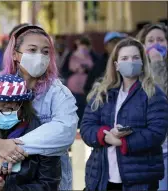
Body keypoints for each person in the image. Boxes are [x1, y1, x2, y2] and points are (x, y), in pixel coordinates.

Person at [0, 25, 78, 190]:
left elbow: (65, 130)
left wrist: (11, 149)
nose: (40, 56)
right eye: (32, 50)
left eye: (45, 52)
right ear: (15, 54)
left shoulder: (58, 92)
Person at [80, 37, 168, 191]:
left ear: (142, 62)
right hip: (101, 177)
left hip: (140, 179)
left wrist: (123, 142)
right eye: (125, 58)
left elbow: (157, 132)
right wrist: (106, 135)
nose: (130, 62)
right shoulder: (102, 92)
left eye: (135, 58)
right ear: (116, 65)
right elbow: (87, 127)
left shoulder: (153, 93)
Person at [137, 23, 168, 191]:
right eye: (150, 40)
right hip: (144, 151)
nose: (156, 44)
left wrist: (158, 64)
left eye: (161, 40)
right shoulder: (136, 72)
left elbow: (161, 99)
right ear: (143, 45)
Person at [61, 36, 101, 125]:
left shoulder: (93, 56)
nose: (84, 49)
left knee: (86, 112)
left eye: (86, 47)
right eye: (82, 46)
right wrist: (74, 70)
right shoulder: (71, 55)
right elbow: (63, 71)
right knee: (73, 111)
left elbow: (97, 70)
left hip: (88, 90)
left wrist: (86, 70)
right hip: (72, 90)